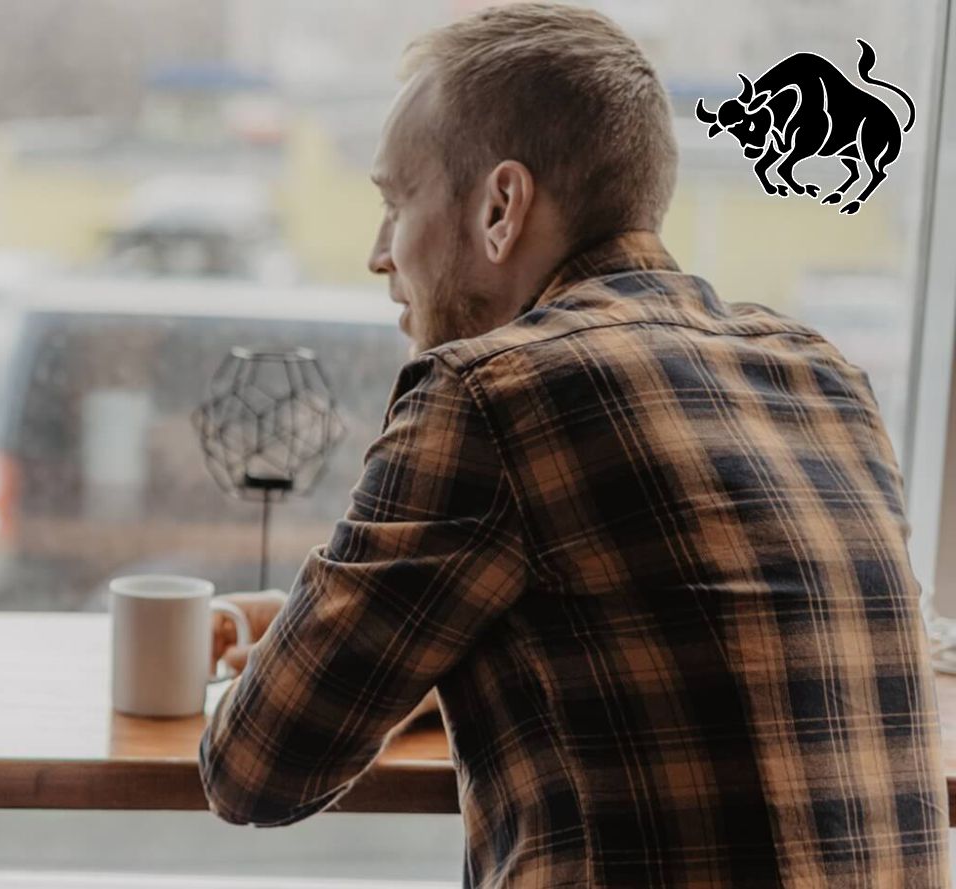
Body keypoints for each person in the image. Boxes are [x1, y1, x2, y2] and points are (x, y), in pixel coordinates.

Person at [200, 5, 948, 887]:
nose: (379, 253)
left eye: (396, 202)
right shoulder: (826, 382)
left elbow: (255, 767)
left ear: (501, 206)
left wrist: (352, 647)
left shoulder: (489, 395)